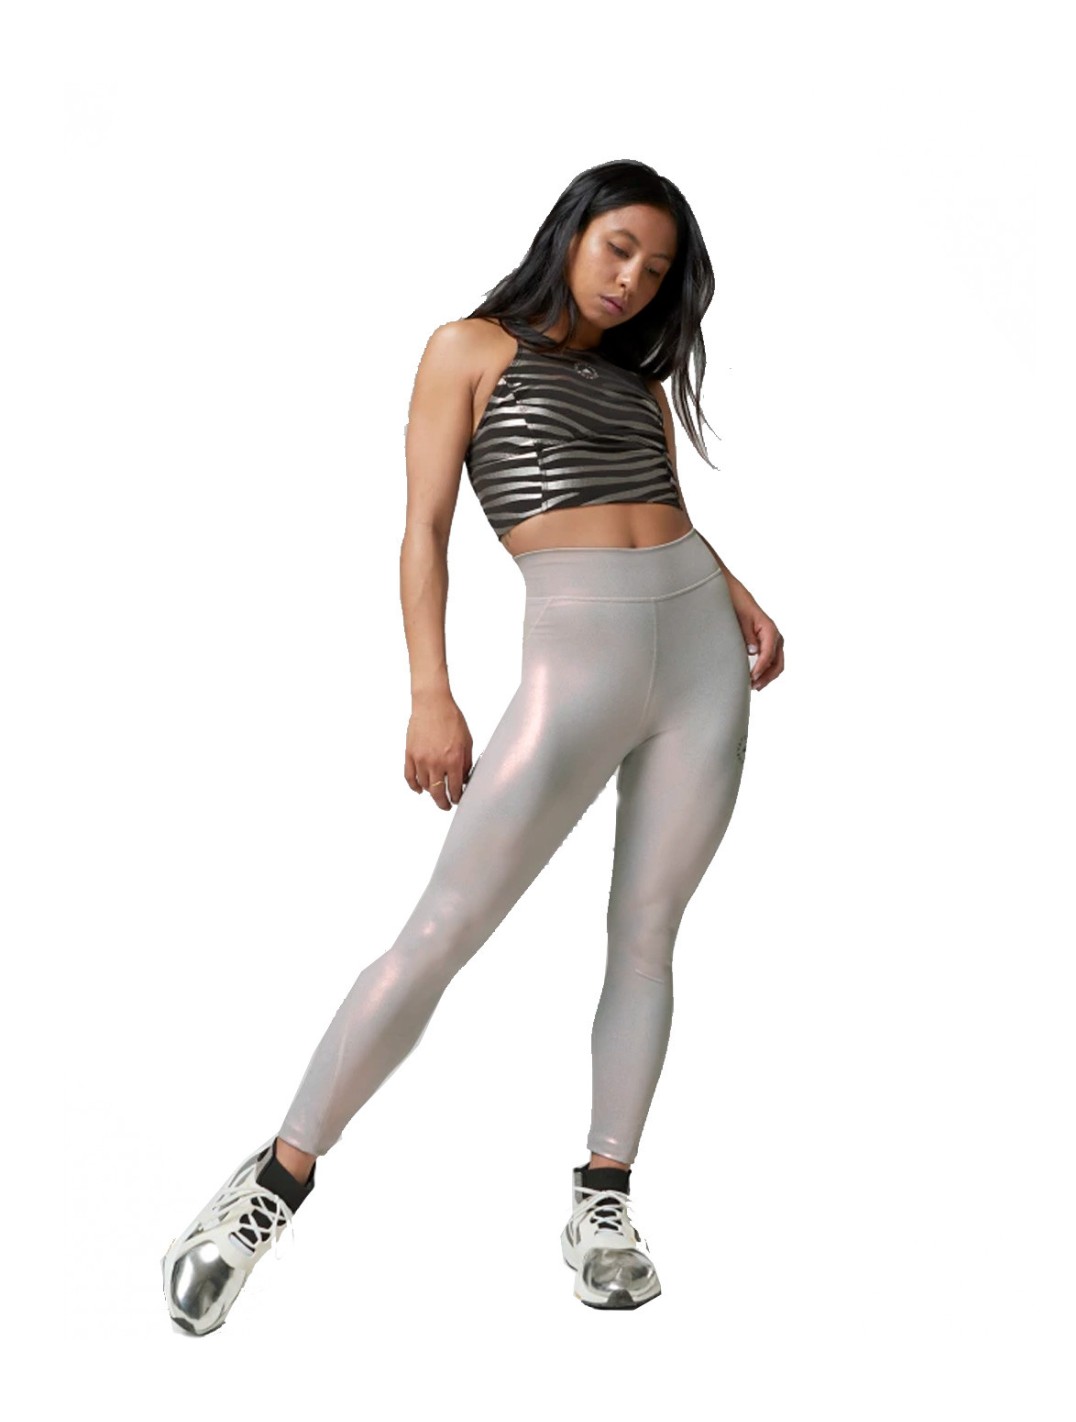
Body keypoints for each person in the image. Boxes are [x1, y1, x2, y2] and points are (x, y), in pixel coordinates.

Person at [161, 158, 785, 1332]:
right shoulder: (467, 347)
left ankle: (603, 1201)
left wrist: (738, 593)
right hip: (572, 664)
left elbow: (665, 512)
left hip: (704, 660)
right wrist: (429, 692)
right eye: (618, 250)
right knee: (441, 930)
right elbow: (425, 528)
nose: (631, 282)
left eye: (655, 272)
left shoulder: (637, 385)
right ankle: (269, 1189)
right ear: (570, 231)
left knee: (647, 933)